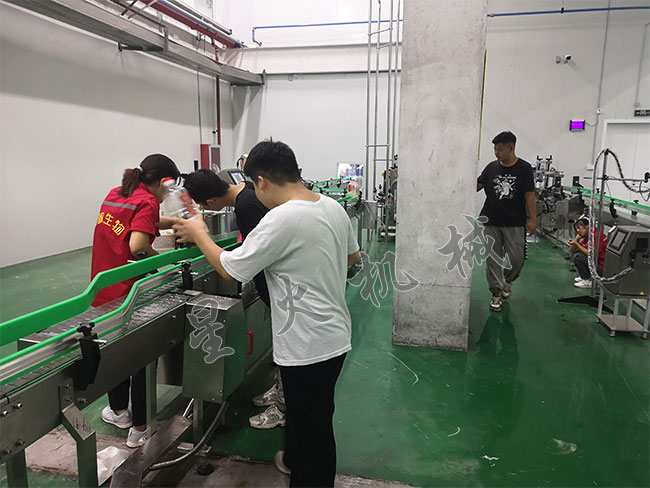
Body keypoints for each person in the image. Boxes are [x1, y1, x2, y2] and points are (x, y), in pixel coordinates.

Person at [173, 140, 360, 487]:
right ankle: (298, 465)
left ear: (261, 181)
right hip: (334, 336)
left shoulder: (282, 218)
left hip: (305, 344)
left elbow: (230, 268)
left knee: (311, 434)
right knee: (314, 421)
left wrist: (199, 233)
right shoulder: (332, 207)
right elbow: (352, 257)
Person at [183, 169, 286, 430]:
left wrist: (199, 235)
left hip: (279, 289)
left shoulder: (245, 206)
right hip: (277, 286)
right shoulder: (247, 189)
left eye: (203, 206)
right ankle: (281, 391)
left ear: (210, 202)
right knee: (282, 346)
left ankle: (283, 408)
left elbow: (247, 261)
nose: (204, 209)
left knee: (286, 348)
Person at [92, 154, 180, 448]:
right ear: (163, 182)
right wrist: (166, 264)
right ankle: (140, 428)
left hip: (104, 289)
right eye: (168, 188)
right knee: (140, 356)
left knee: (116, 351)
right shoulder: (148, 201)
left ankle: (119, 412)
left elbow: (139, 223)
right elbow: (138, 245)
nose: (166, 195)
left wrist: (176, 222)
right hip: (131, 293)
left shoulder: (118, 193)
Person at [477, 131, 536, 312]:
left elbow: (529, 195)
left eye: (500, 149)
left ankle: (508, 281)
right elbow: (477, 185)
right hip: (491, 221)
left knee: (516, 259)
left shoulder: (524, 168)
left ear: (511, 148)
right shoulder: (491, 168)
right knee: (492, 259)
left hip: (515, 222)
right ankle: (496, 293)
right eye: (495, 149)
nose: (497, 153)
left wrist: (533, 219)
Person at [568, 217, 607, 288]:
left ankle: (587, 281)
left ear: (587, 226)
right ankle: (587, 276)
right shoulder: (588, 236)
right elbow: (572, 250)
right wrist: (576, 239)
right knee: (574, 253)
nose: (578, 230)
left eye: (579, 228)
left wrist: (576, 244)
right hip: (595, 264)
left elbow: (591, 254)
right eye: (576, 229)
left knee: (578, 257)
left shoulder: (597, 236)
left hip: (601, 268)